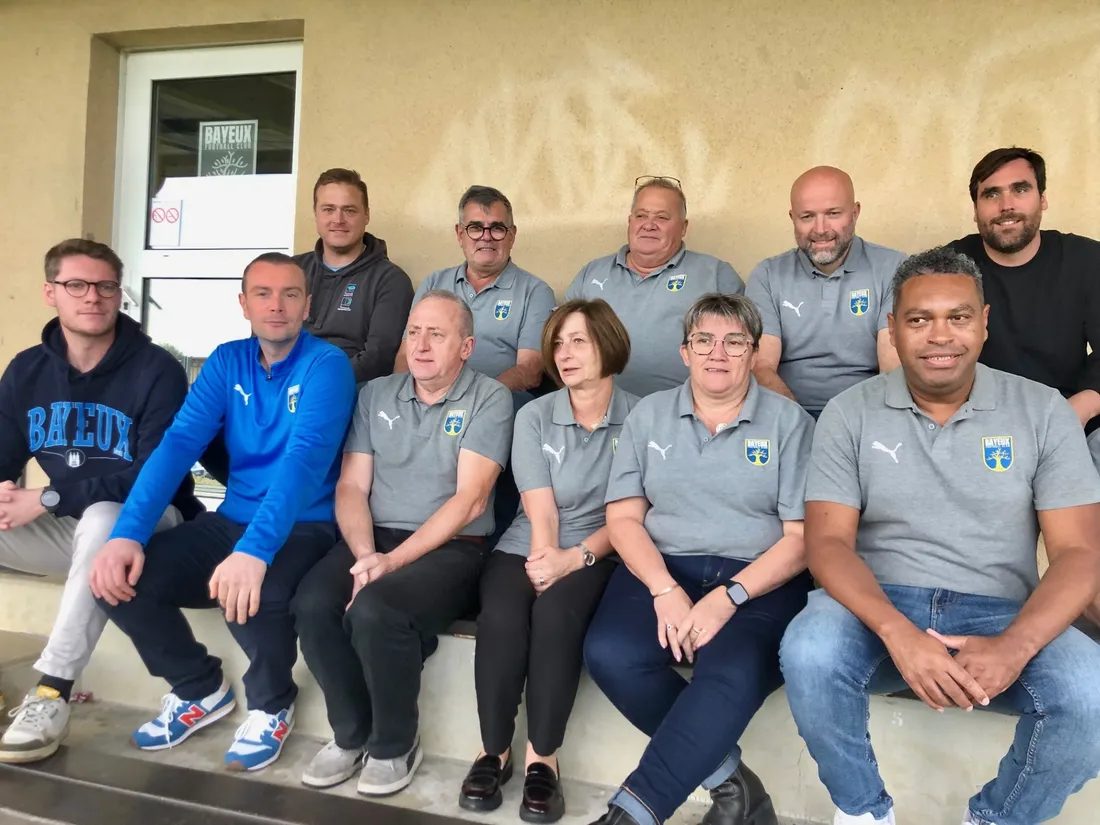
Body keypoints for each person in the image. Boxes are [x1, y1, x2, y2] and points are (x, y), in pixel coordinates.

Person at [780, 247, 1100, 825]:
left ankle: (997, 817)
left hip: (1002, 611)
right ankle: (863, 812)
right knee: (809, 648)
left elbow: (1078, 554)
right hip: (877, 605)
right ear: (893, 330)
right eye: (919, 319)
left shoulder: (1043, 411)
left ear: (983, 325)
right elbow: (827, 544)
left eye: (957, 317)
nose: (939, 336)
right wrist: (898, 634)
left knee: (1090, 693)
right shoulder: (850, 413)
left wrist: (1015, 646)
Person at [88, 253, 355, 772]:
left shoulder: (327, 365)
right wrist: (126, 535)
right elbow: (176, 445)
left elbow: (304, 463)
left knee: (263, 592)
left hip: (308, 521)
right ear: (243, 304)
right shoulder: (226, 361)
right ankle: (199, 687)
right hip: (232, 515)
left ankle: (272, 702)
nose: (276, 306)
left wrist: (253, 551)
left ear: (308, 305)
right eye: (262, 294)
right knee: (115, 578)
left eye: (290, 294)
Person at [584, 293, 815, 825]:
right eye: (704, 340)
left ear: (754, 352)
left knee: (727, 672)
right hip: (666, 566)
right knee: (611, 651)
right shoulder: (649, 416)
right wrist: (665, 590)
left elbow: (801, 539)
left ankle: (632, 814)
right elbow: (623, 520)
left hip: (758, 579)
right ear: (685, 352)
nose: (719, 352)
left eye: (735, 341)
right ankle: (732, 783)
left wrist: (728, 598)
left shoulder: (789, 423)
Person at [292, 290, 513, 797]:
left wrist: (389, 563)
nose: (421, 344)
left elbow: (471, 501)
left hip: (453, 546)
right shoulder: (375, 395)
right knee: (313, 602)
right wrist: (369, 554)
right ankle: (350, 735)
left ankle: (395, 744)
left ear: (466, 346)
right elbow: (352, 487)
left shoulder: (489, 398)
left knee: (376, 610)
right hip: (373, 537)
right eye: (414, 331)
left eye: (437, 333)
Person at [0, 239, 200, 764]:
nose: (93, 297)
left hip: (149, 528)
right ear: (51, 293)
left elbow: (153, 477)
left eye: (106, 286)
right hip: (70, 533)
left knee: (104, 517)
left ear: (120, 294)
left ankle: (52, 692)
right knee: (90, 524)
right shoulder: (26, 371)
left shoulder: (158, 370)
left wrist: (45, 495)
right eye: (77, 286)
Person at [459, 299, 638, 823]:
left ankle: (543, 758)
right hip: (529, 543)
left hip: (603, 548)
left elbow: (632, 513)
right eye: (558, 342)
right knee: (503, 615)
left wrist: (574, 560)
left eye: (578, 340)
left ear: (608, 344)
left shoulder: (643, 416)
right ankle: (493, 751)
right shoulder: (535, 414)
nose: (564, 353)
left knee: (558, 616)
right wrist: (546, 561)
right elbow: (539, 507)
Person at [947, 147, 1100, 433]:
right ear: (975, 209)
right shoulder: (949, 267)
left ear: (1042, 199)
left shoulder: (1087, 259)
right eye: (991, 194)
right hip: (976, 421)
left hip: (1072, 414)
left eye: (1020, 190)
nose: (1006, 205)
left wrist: (1086, 402)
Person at [746, 166, 905, 418]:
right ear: (792, 218)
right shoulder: (767, 274)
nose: (820, 229)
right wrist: (800, 425)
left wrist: (852, 428)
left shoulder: (894, 268)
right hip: (787, 413)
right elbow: (761, 367)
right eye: (807, 216)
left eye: (833, 213)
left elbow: (892, 369)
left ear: (855, 213)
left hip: (867, 415)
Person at [564, 176, 745, 397]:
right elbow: (558, 340)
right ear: (630, 221)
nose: (649, 225)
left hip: (685, 415)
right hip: (600, 412)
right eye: (641, 216)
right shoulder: (591, 273)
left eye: (662, 217)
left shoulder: (716, 275)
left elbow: (743, 350)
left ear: (684, 227)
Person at [395, 186, 556, 401]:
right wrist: (408, 401)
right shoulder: (434, 283)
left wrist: (474, 400)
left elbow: (530, 370)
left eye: (497, 228)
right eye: (475, 227)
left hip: (495, 403)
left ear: (512, 235)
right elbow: (407, 355)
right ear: (460, 234)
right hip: (427, 401)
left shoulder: (535, 292)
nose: (486, 237)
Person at [296, 168, 414, 385]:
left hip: (347, 392)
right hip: (283, 387)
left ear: (366, 215)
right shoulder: (292, 271)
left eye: (349, 210)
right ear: (316, 213)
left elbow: (378, 358)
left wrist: (317, 384)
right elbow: (264, 340)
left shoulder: (391, 280)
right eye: (328, 209)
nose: (338, 219)